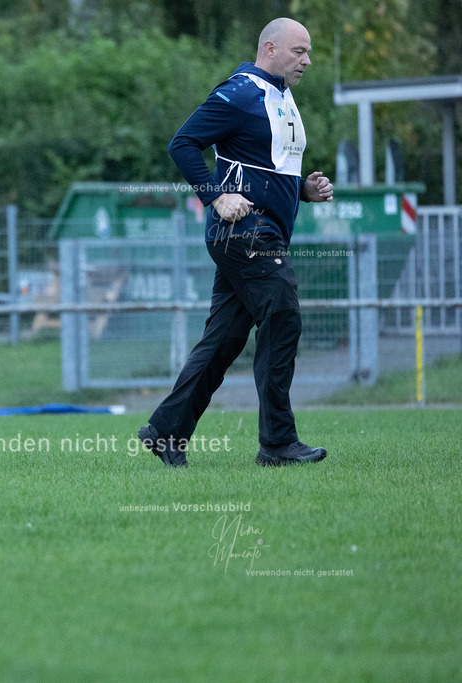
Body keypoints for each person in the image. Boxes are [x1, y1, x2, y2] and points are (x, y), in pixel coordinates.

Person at [138, 17, 334, 467]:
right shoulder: (242, 91)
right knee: (282, 313)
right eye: (298, 51)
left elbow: (265, 167)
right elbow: (182, 143)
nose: (306, 60)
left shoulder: (280, 96)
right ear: (270, 49)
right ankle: (278, 443)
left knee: (224, 340)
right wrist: (214, 195)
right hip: (245, 232)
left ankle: (166, 431)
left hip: (259, 230)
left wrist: (303, 187)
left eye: (308, 52)